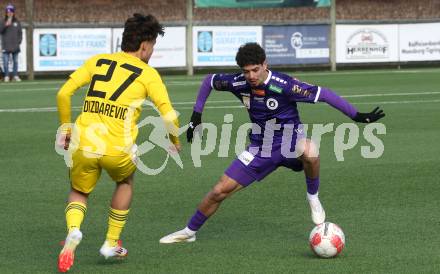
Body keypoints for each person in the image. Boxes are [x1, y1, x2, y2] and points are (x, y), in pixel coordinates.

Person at [159, 42, 385, 244]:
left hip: (290, 143)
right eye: (246, 71)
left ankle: (313, 197)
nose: (251, 75)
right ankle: (189, 232)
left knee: (310, 150)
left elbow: (324, 94)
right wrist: (197, 115)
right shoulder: (238, 82)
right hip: (260, 148)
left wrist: (356, 116)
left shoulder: (284, 85)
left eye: (255, 69)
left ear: (265, 65)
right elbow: (209, 80)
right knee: (219, 190)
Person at [56, 14, 181, 272]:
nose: (152, 51)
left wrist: (67, 128)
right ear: (145, 45)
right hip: (117, 148)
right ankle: (111, 242)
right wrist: (174, 140)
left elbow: (63, 93)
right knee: (125, 182)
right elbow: (168, 114)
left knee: (79, 191)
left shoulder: (98, 61)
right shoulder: (148, 74)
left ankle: (74, 230)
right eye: (153, 46)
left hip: (83, 142)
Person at [0, 4, 22, 82]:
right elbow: (0, 31)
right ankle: (6, 76)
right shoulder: (2, 21)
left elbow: (20, 33)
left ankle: (15, 75)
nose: (9, 13)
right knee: (5, 62)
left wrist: (19, 41)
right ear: (6, 13)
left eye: (11, 11)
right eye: (8, 12)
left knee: (15, 62)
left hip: (15, 46)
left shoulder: (17, 22)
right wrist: (6, 25)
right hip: (6, 46)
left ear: (13, 12)